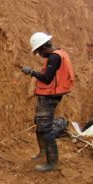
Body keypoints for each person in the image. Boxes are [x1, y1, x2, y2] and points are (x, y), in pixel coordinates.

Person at [20, 32, 75, 172]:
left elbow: (46, 78)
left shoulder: (55, 57)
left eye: (39, 52)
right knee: (40, 123)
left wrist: (31, 72)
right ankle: (43, 153)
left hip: (50, 96)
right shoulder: (59, 54)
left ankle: (52, 163)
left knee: (46, 128)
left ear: (44, 47)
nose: (40, 55)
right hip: (49, 94)